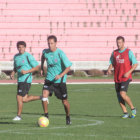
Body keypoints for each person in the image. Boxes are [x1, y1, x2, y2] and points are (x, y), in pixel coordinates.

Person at [41, 35, 72, 125]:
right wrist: (42, 67)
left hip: (60, 82)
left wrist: (60, 75)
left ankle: (68, 116)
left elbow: (68, 67)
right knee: (44, 95)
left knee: (64, 102)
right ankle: (46, 115)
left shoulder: (60, 53)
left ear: (56, 43)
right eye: (48, 43)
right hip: (49, 80)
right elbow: (43, 57)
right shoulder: (45, 52)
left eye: (52, 43)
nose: (50, 45)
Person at [107, 36, 138, 119]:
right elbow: (111, 62)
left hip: (125, 77)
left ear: (124, 42)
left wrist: (128, 72)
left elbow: (135, 64)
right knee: (119, 96)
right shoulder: (114, 53)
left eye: (120, 42)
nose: (118, 44)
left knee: (122, 94)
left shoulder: (129, 52)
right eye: (117, 42)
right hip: (117, 77)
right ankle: (125, 112)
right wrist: (109, 68)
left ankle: (133, 108)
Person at [10, 41, 41, 121]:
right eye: (19, 47)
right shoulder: (16, 56)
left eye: (22, 47)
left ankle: (19, 116)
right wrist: (13, 73)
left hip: (26, 79)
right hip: (20, 80)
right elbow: (16, 67)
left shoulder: (28, 56)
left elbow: (37, 67)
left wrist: (27, 71)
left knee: (19, 97)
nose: (21, 49)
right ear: (17, 48)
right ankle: (42, 97)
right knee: (24, 99)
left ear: (25, 48)